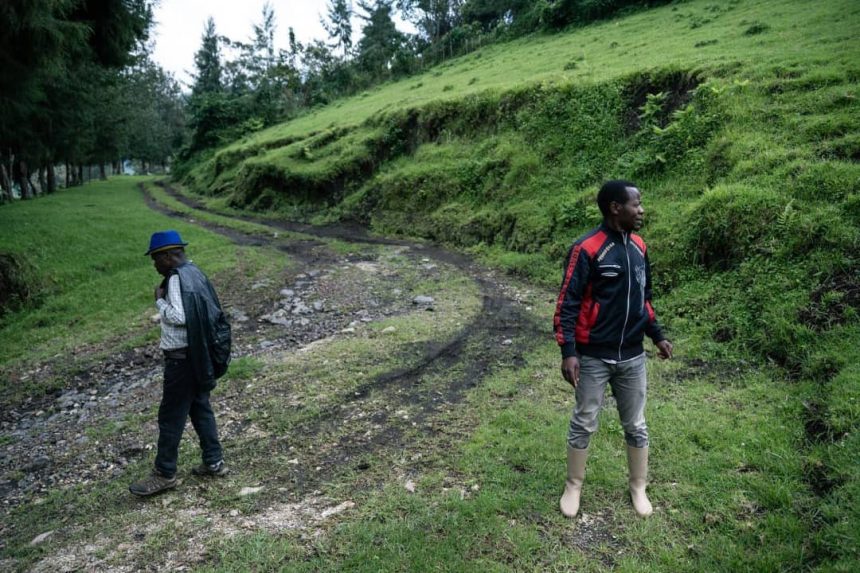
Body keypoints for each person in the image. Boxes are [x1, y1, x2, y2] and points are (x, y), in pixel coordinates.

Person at [553, 180, 673, 518]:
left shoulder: (639, 247)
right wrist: (569, 351)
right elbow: (568, 302)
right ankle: (573, 485)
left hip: (633, 357)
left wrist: (657, 335)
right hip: (593, 357)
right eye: (636, 204)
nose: (642, 210)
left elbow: (643, 300)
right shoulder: (586, 249)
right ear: (615, 208)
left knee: (636, 424)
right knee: (584, 420)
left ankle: (638, 487)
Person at [129, 230, 231, 497]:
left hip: (181, 361)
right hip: (199, 356)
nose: (154, 264)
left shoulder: (174, 279)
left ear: (167, 256)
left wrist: (159, 301)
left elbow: (179, 316)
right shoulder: (195, 272)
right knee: (200, 409)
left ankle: (164, 473)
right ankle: (214, 461)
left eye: (155, 259)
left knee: (170, 417)